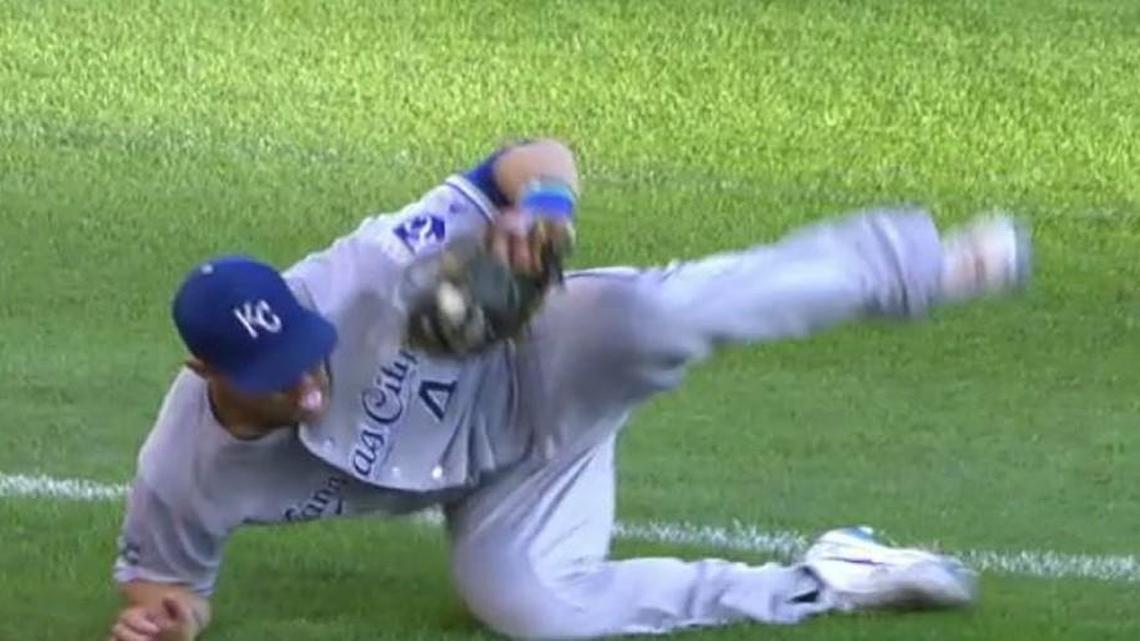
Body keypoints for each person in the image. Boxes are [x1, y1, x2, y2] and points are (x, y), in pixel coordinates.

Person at [108, 138, 1031, 641]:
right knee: (533, 608)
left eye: (309, 358)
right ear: (207, 373)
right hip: (506, 481)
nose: (309, 390)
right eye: (276, 384)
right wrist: (169, 618)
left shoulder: (357, 274)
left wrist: (542, 209)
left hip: (542, 357)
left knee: (662, 316)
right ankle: (829, 575)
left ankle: (920, 266)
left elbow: (528, 154)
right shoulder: (183, 466)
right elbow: (169, 582)